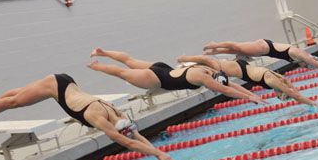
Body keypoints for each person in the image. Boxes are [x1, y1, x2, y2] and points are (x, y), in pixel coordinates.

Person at [0, 74, 177, 160]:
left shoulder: (119, 115)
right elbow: (129, 143)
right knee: (14, 102)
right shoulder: (98, 117)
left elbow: (135, 136)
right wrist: (159, 154)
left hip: (66, 82)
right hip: (58, 87)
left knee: (20, 94)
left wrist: (158, 153)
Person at [87, 48, 267, 105]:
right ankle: (97, 67)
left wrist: (251, 95)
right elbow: (225, 89)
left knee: (129, 60)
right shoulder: (205, 78)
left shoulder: (207, 69)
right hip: (156, 78)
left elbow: (230, 86)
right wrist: (250, 97)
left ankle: (102, 53)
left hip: (164, 68)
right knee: (122, 73)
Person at [177, 54, 318, 106]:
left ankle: (188, 64)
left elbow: (291, 88)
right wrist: (313, 103)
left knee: (215, 75)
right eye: (279, 96)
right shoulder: (273, 82)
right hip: (240, 69)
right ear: (281, 93)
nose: (276, 95)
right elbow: (296, 95)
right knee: (209, 64)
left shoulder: (277, 80)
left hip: (243, 68)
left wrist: (251, 96)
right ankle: (185, 60)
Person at [203, 39, 318, 78]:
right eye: (306, 65)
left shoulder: (298, 58)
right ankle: (215, 44)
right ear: (308, 59)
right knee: (238, 47)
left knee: (235, 50)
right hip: (264, 47)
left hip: (264, 51)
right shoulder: (300, 54)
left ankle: (213, 51)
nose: (304, 66)